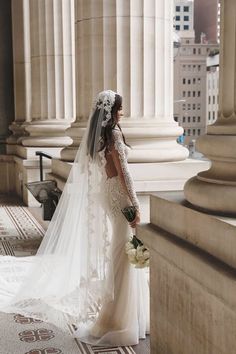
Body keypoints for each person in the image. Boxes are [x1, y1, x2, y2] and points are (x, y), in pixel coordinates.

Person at [0, 90, 149, 346]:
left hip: (108, 194)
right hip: (119, 197)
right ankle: (117, 320)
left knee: (123, 252)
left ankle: (123, 315)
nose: (124, 112)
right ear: (112, 111)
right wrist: (135, 204)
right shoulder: (113, 133)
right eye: (121, 108)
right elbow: (124, 173)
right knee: (124, 255)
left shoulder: (101, 136)